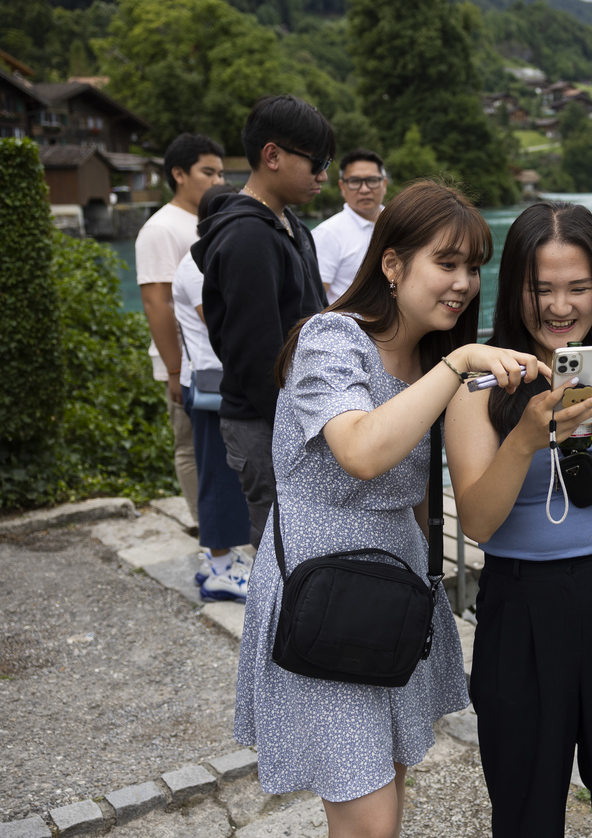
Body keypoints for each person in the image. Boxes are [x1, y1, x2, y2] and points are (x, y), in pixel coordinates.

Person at [234, 181, 543, 838]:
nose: (463, 282)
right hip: (323, 600)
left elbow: (426, 493)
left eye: (474, 266)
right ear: (393, 263)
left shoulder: (433, 359)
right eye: (447, 262)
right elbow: (363, 450)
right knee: (369, 818)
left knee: (385, 788)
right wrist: (461, 361)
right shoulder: (332, 339)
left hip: (393, 599)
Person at [446, 201, 592, 838]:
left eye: (578, 288)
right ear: (515, 288)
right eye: (541, 289)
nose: (559, 306)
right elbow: (480, 525)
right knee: (524, 808)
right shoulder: (476, 390)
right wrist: (526, 436)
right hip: (520, 606)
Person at [193, 94, 333, 548]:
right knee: (285, 555)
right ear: (272, 155)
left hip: (298, 416)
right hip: (268, 424)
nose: (324, 176)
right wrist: (309, 436)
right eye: (317, 163)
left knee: (306, 550)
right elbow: (255, 357)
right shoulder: (248, 237)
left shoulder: (289, 225)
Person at [136, 132, 226, 524]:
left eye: (221, 173)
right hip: (186, 362)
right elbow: (157, 303)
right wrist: (174, 369)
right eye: (208, 172)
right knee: (190, 446)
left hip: (215, 358)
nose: (217, 181)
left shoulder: (211, 220)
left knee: (219, 446)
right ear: (178, 173)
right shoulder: (162, 228)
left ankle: (221, 528)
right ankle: (205, 527)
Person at [172, 184, 252, 601]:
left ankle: (221, 560)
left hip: (209, 383)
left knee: (222, 475)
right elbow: (226, 321)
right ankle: (220, 565)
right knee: (218, 478)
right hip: (208, 386)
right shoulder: (198, 265)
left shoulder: (200, 257)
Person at [314, 148, 388, 304]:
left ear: (384, 183)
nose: (365, 189)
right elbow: (317, 300)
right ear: (342, 186)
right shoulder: (327, 234)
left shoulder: (401, 224)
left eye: (372, 180)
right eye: (355, 181)